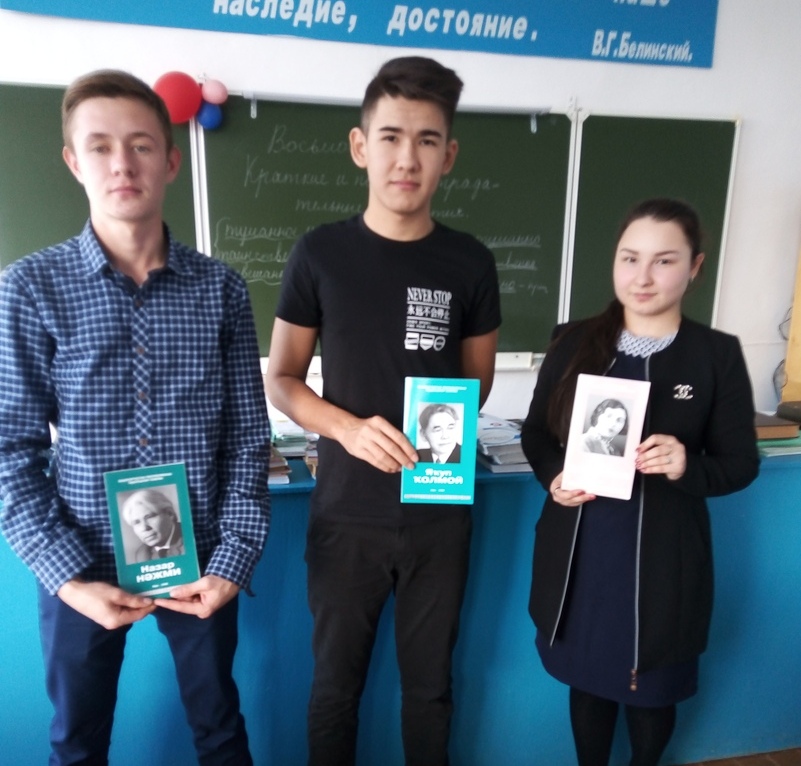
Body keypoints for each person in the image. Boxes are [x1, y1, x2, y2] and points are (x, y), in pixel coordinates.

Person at [0, 70, 271, 765]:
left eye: (142, 145)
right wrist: (67, 577)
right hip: (81, 558)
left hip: (200, 560)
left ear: (172, 161)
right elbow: (9, 450)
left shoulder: (221, 290)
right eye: (100, 146)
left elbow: (247, 440)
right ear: (73, 161)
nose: (122, 163)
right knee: (76, 743)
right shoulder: (30, 288)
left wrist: (233, 561)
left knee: (220, 730)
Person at [265, 56, 501, 766]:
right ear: (360, 146)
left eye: (427, 140)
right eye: (391, 137)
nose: (407, 158)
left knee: (430, 689)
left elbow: (476, 382)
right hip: (346, 515)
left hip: (439, 511)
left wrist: (439, 420)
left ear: (448, 155)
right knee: (335, 689)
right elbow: (282, 378)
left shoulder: (469, 262)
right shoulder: (320, 253)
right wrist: (347, 428)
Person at [520, 198, 759, 766]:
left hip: (663, 563)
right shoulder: (573, 341)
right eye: (630, 258)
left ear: (695, 267)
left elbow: (740, 464)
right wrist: (554, 477)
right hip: (581, 553)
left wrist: (685, 463)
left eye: (664, 261)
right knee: (588, 682)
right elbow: (535, 434)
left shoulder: (716, 355)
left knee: (653, 690)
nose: (643, 277)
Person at [121, 488, 185, 562]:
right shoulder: (142, 554)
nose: (144, 528)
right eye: (137, 522)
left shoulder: (189, 540)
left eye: (150, 517)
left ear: (169, 514)